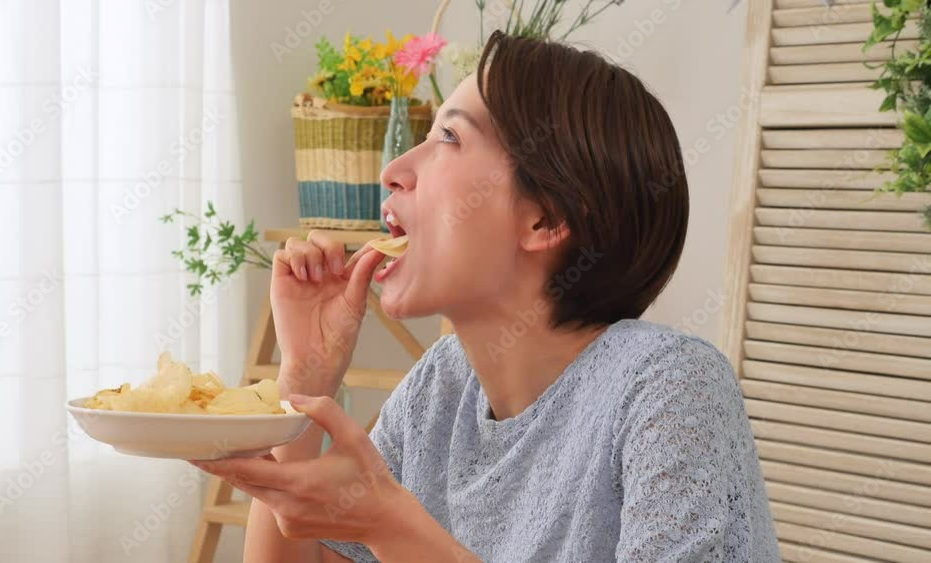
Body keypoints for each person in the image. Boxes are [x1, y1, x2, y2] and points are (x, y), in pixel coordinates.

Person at [191, 30, 780, 562]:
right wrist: (305, 384)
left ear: (544, 218)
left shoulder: (671, 388)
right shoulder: (442, 386)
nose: (393, 169)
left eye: (448, 136)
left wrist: (391, 527)